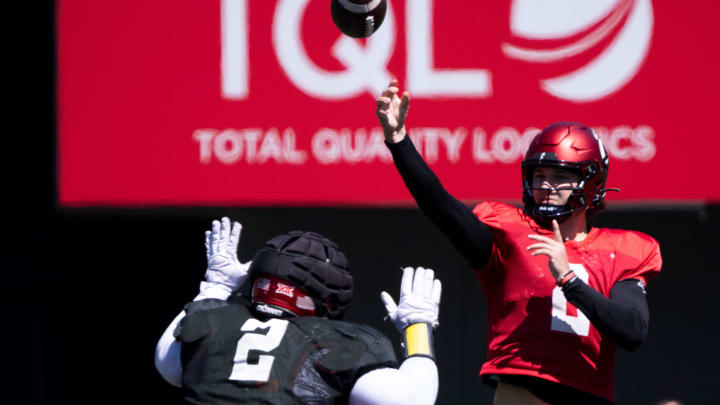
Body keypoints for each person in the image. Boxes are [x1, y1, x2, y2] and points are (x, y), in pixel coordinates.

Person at [375, 79, 662, 405]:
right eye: (539, 176)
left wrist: (568, 279)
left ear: (591, 183)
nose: (546, 186)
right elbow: (441, 206)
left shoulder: (622, 251)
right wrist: (398, 140)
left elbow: (632, 331)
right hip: (521, 394)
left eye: (559, 177)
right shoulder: (512, 234)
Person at [155, 217, 442, 405]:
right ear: (330, 297)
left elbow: (166, 364)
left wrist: (215, 287)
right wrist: (418, 327)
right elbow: (415, 400)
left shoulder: (212, 321)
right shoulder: (339, 345)